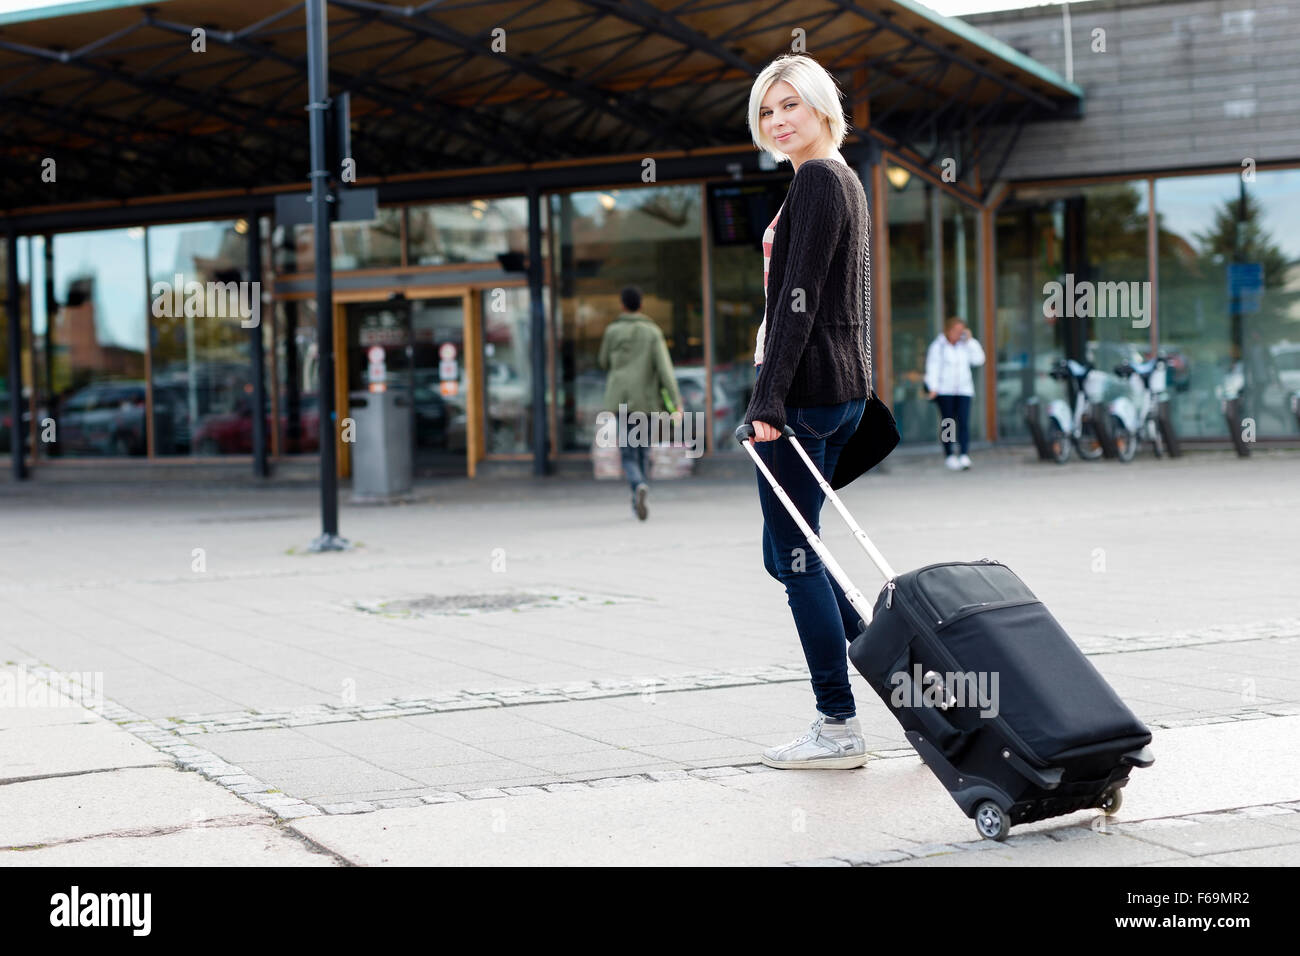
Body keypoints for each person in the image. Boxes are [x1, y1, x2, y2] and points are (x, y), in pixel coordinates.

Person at [742, 54, 872, 770]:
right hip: (832, 392)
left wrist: (768, 399)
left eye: (790, 104)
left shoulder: (821, 179)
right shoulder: (835, 180)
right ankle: (914, 683)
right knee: (794, 554)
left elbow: (800, 303)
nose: (779, 120)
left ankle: (838, 725)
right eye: (767, 110)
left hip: (804, 397)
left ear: (822, 106)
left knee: (796, 560)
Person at [597, 286, 684, 521]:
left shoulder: (612, 331)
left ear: (622, 305)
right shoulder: (652, 332)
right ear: (641, 305)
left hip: (619, 399)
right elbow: (664, 369)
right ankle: (641, 486)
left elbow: (603, 361)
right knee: (643, 449)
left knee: (627, 451)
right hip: (644, 400)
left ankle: (636, 487)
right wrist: (676, 401)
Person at [924, 315, 985, 470]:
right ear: (948, 330)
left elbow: (979, 359)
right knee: (948, 423)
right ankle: (949, 454)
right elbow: (932, 367)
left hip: (964, 390)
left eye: (961, 331)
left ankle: (964, 454)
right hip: (945, 391)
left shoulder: (966, 345)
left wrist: (970, 341)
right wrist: (932, 387)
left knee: (963, 422)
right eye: (956, 330)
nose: (958, 334)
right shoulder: (938, 346)